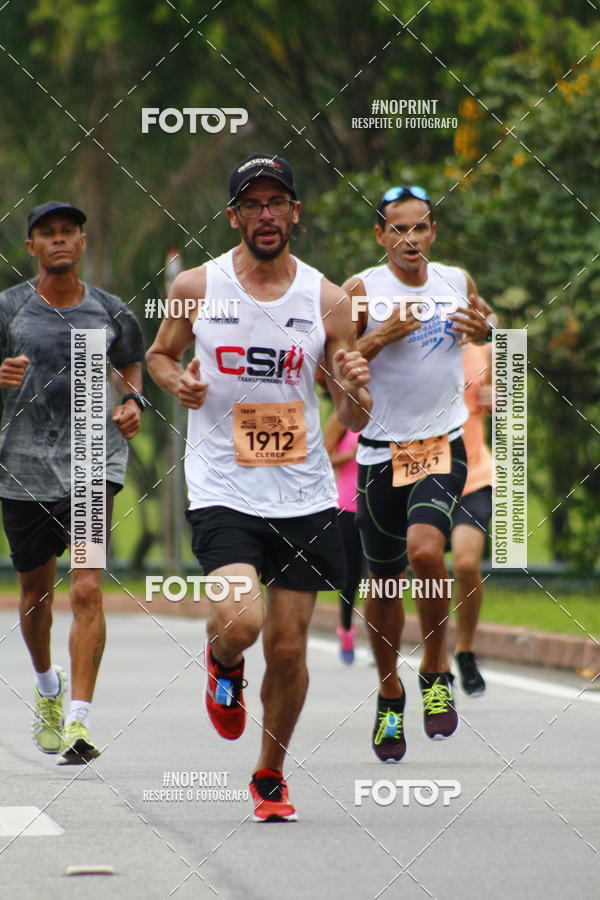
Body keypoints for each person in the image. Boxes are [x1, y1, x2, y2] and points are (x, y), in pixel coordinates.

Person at [146, 153, 371, 821]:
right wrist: (175, 381)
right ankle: (221, 663)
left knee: (290, 647)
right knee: (242, 623)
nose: (266, 215)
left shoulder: (327, 300)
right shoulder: (196, 286)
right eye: (253, 204)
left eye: (278, 203)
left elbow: (352, 412)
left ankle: (270, 775)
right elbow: (161, 353)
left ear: (295, 213)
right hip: (221, 482)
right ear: (234, 216)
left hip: (302, 492)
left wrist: (356, 389)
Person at [345, 184, 494, 761]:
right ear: (381, 235)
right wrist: (382, 336)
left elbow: (487, 321)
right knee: (383, 586)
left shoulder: (454, 280)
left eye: (421, 227)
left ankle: (435, 671)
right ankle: (389, 694)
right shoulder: (361, 289)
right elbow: (334, 363)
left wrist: (484, 328)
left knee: (428, 552)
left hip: (441, 444)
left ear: (434, 232)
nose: (411, 239)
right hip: (378, 451)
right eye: (399, 229)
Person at [0, 201, 145, 763]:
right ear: (31, 247)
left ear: (82, 243)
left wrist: (132, 401)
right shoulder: (9, 310)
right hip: (22, 467)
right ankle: (48, 689)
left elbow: (130, 365)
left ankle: (80, 723)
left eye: (68, 233)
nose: (59, 241)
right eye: (47, 235)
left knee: (86, 587)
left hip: (91, 462)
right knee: (36, 593)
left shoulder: (111, 311)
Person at [451, 343, 493, 695]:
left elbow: (508, 408)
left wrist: (500, 395)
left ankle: (465, 650)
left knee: (466, 564)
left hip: (474, 477)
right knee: (426, 562)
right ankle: (433, 660)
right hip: (423, 476)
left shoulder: (485, 352)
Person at [323, 407, 365, 663]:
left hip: (378, 508)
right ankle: (346, 627)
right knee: (351, 575)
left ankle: (380, 636)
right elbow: (323, 458)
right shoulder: (342, 417)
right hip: (347, 508)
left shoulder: (387, 416)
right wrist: (351, 454)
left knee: (380, 576)